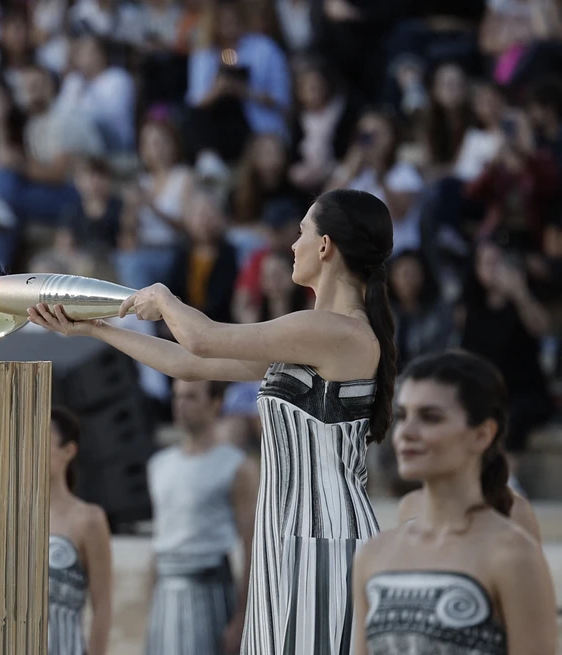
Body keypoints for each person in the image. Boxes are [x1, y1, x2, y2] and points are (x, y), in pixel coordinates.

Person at [29, 188, 397, 653]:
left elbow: (203, 338)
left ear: (325, 246)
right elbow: (189, 363)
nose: (292, 244)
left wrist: (163, 298)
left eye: (301, 232)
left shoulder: (336, 330)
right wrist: (93, 328)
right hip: (285, 537)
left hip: (323, 539)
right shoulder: (311, 336)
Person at [351, 351, 557, 654]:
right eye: (404, 415)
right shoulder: (373, 554)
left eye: (430, 417)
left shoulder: (513, 554)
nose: (406, 433)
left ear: (483, 434)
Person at [144, 379, 259, 655]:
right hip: (165, 592)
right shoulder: (159, 465)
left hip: (211, 589)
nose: (180, 404)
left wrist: (242, 619)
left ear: (215, 403)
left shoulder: (236, 466)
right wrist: (151, 604)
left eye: (191, 397)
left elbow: (251, 544)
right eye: (176, 396)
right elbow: (160, 537)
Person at [47, 406, 112, 655]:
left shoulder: (89, 520)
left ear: (68, 450)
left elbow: (102, 606)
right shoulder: (8, 516)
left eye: (42, 438)